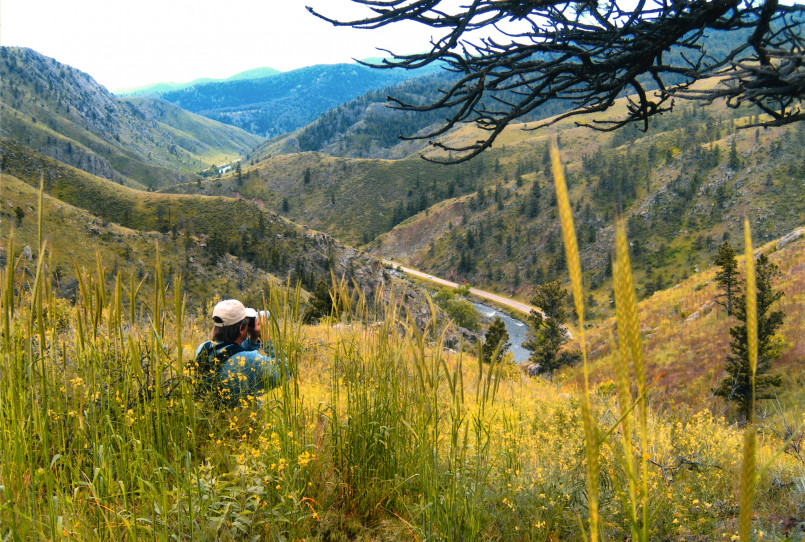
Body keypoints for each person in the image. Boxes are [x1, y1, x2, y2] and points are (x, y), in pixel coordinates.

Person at [191, 299, 287, 407]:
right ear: (241, 328)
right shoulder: (248, 360)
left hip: (211, 418)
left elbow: (233, 352)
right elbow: (285, 370)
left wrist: (253, 339)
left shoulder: (203, 348)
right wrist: (266, 337)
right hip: (243, 422)